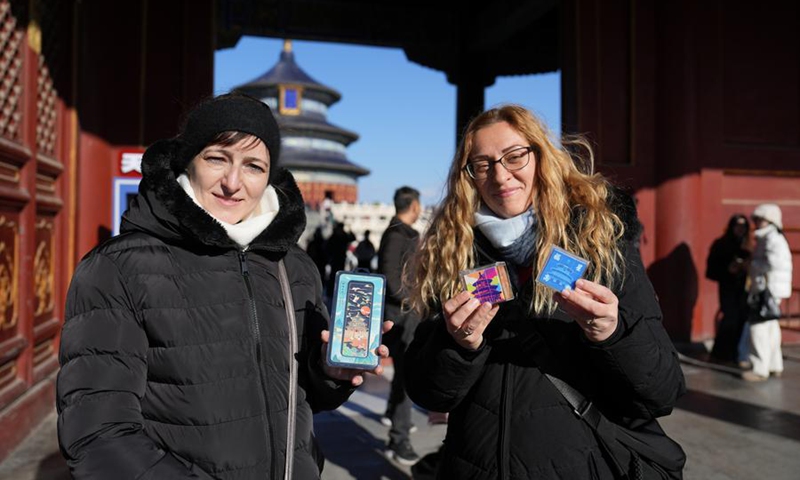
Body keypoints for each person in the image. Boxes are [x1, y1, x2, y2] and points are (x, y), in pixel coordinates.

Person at [56, 93, 390, 480]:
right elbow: (98, 436)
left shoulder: (294, 266)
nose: (233, 183)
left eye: (254, 166)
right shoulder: (117, 269)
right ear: (188, 160)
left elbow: (300, 400)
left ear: (269, 177)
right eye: (217, 158)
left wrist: (329, 372)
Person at [404, 105, 686, 479]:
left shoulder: (598, 242)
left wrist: (611, 333)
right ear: (468, 176)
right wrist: (457, 345)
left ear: (540, 156)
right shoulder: (451, 255)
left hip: (582, 466)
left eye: (514, 156)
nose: (501, 175)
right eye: (482, 164)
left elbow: (662, 392)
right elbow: (429, 394)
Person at [378, 186, 423, 465]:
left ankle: (395, 419)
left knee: (403, 377)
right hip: (401, 315)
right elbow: (390, 277)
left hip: (405, 313)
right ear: (414, 205)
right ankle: (399, 439)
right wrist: (413, 300)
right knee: (407, 376)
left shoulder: (406, 233)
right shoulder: (396, 234)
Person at [741, 203, 792, 382]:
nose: (757, 222)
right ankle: (774, 364)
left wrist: (752, 265)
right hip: (772, 289)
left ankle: (760, 368)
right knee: (770, 327)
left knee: (759, 327)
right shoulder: (770, 237)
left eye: (760, 219)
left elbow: (775, 264)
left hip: (766, 289)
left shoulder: (771, 238)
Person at [705, 214, 751, 364]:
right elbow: (710, 271)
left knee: (743, 319)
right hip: (727, 287)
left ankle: (737, 353)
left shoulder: (748, 245)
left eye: (744, 226)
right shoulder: (721, 244)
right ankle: (720, 354)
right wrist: (728, 269)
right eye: (737, 225)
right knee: (730, 318)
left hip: (745, 289)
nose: (740, 229)